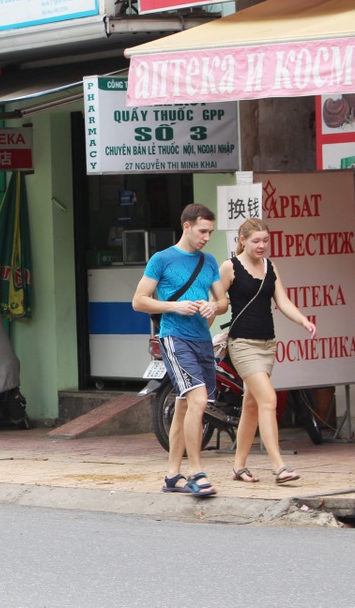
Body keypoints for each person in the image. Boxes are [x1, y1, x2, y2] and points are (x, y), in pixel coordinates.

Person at [132, 204, 228, 497]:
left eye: (210, 232)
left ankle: (172, 475)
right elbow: (139, 300)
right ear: (186, 226)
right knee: (197, 400)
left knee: (186, 406)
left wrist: (213, 305)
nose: (206, 237)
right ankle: (196, 472)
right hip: (174, 337)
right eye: (202, 231)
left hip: (202, 339)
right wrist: (175, 306)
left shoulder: (209, 261)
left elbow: (222, 301)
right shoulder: (162, 260)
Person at [219, 218, 316, 485]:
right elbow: (216, 299)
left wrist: (303, 320)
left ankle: (238, 467)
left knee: (251, 405)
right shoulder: (230, 267)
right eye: (255, 241)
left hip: (266, 344)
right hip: (242, 344)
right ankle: (279, 466)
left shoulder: (270, 266)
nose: (261, 246)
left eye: (265, 240)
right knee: (268, 400)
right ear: (242, 240)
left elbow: (282, 300)